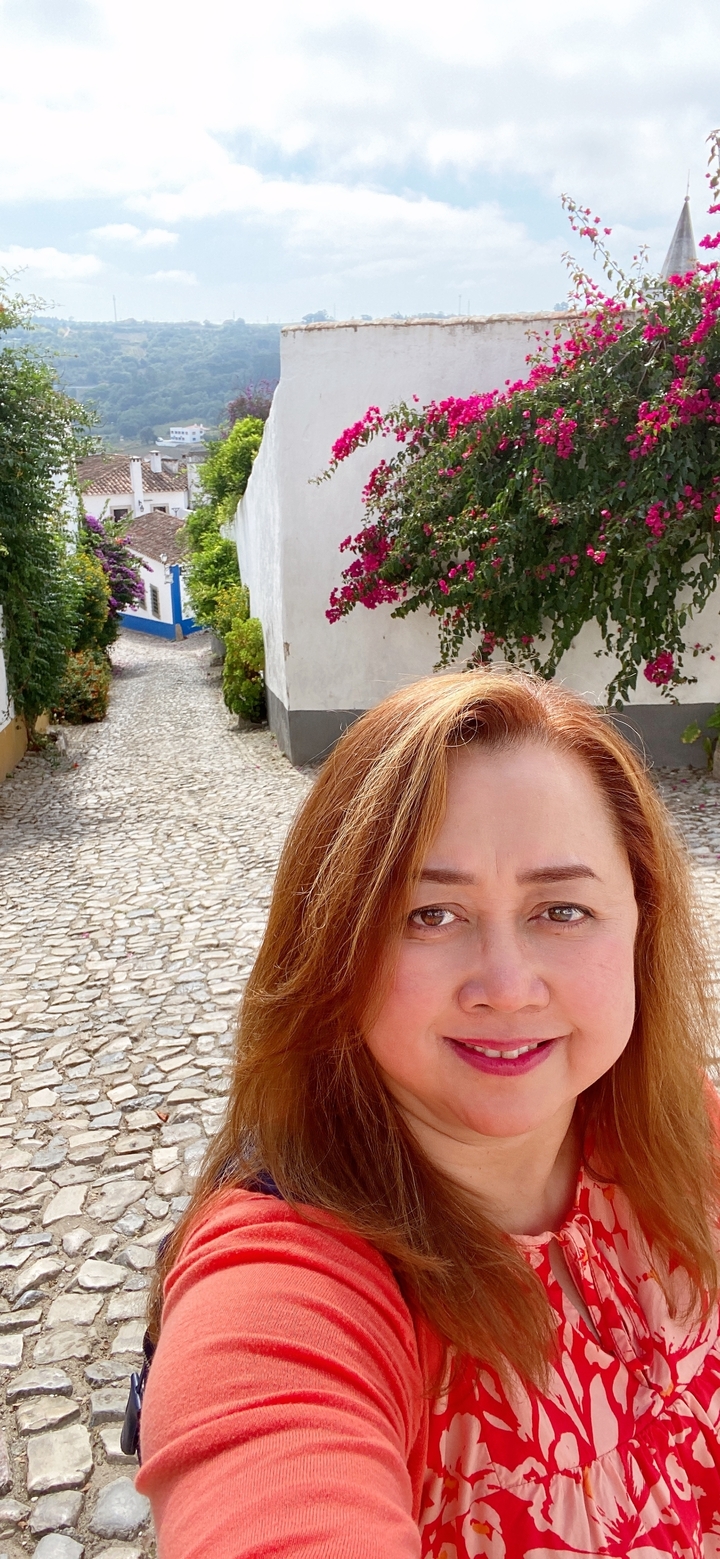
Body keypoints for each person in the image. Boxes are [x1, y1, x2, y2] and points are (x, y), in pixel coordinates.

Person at [136, 670, 720, 1558]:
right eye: (430, 913)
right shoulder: (288, 1282)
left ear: (641, 922)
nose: (506, 987)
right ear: (335, 946)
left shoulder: (692, 1141)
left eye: (562, 909)